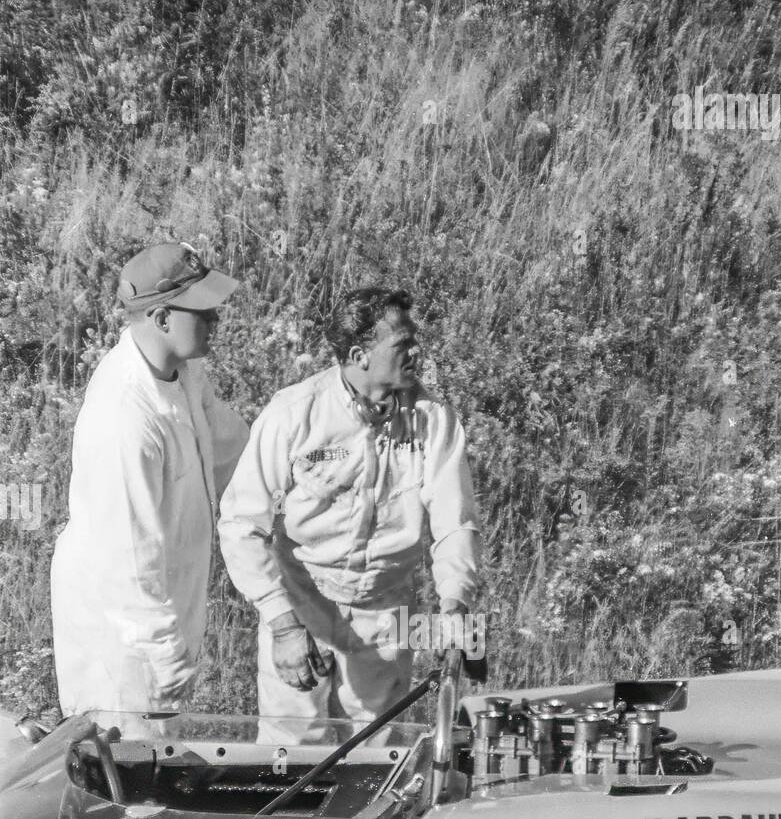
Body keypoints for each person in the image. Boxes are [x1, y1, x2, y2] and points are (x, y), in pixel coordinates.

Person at [217, 286, 481, 722]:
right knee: (293, 752)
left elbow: (456, 522)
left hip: (388, 606)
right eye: (402, 344)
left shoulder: (434, 420)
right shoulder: (293, 413)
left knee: (379, 751)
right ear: (360, 355)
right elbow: (241, 524)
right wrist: (282, 624)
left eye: (415, 339)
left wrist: (455, 607)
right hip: (303, 600)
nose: (417, 352)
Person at [51, 241, 249, 715]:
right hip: (123, 637)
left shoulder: (183, 372)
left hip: (162, 609)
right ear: (162, 318)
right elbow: (128, 559)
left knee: (154, 756)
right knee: (128, 766)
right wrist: (165, 658)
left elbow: (227, 442)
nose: (216, 321)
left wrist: (286, 466)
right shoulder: (125, 418)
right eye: (204, 312)